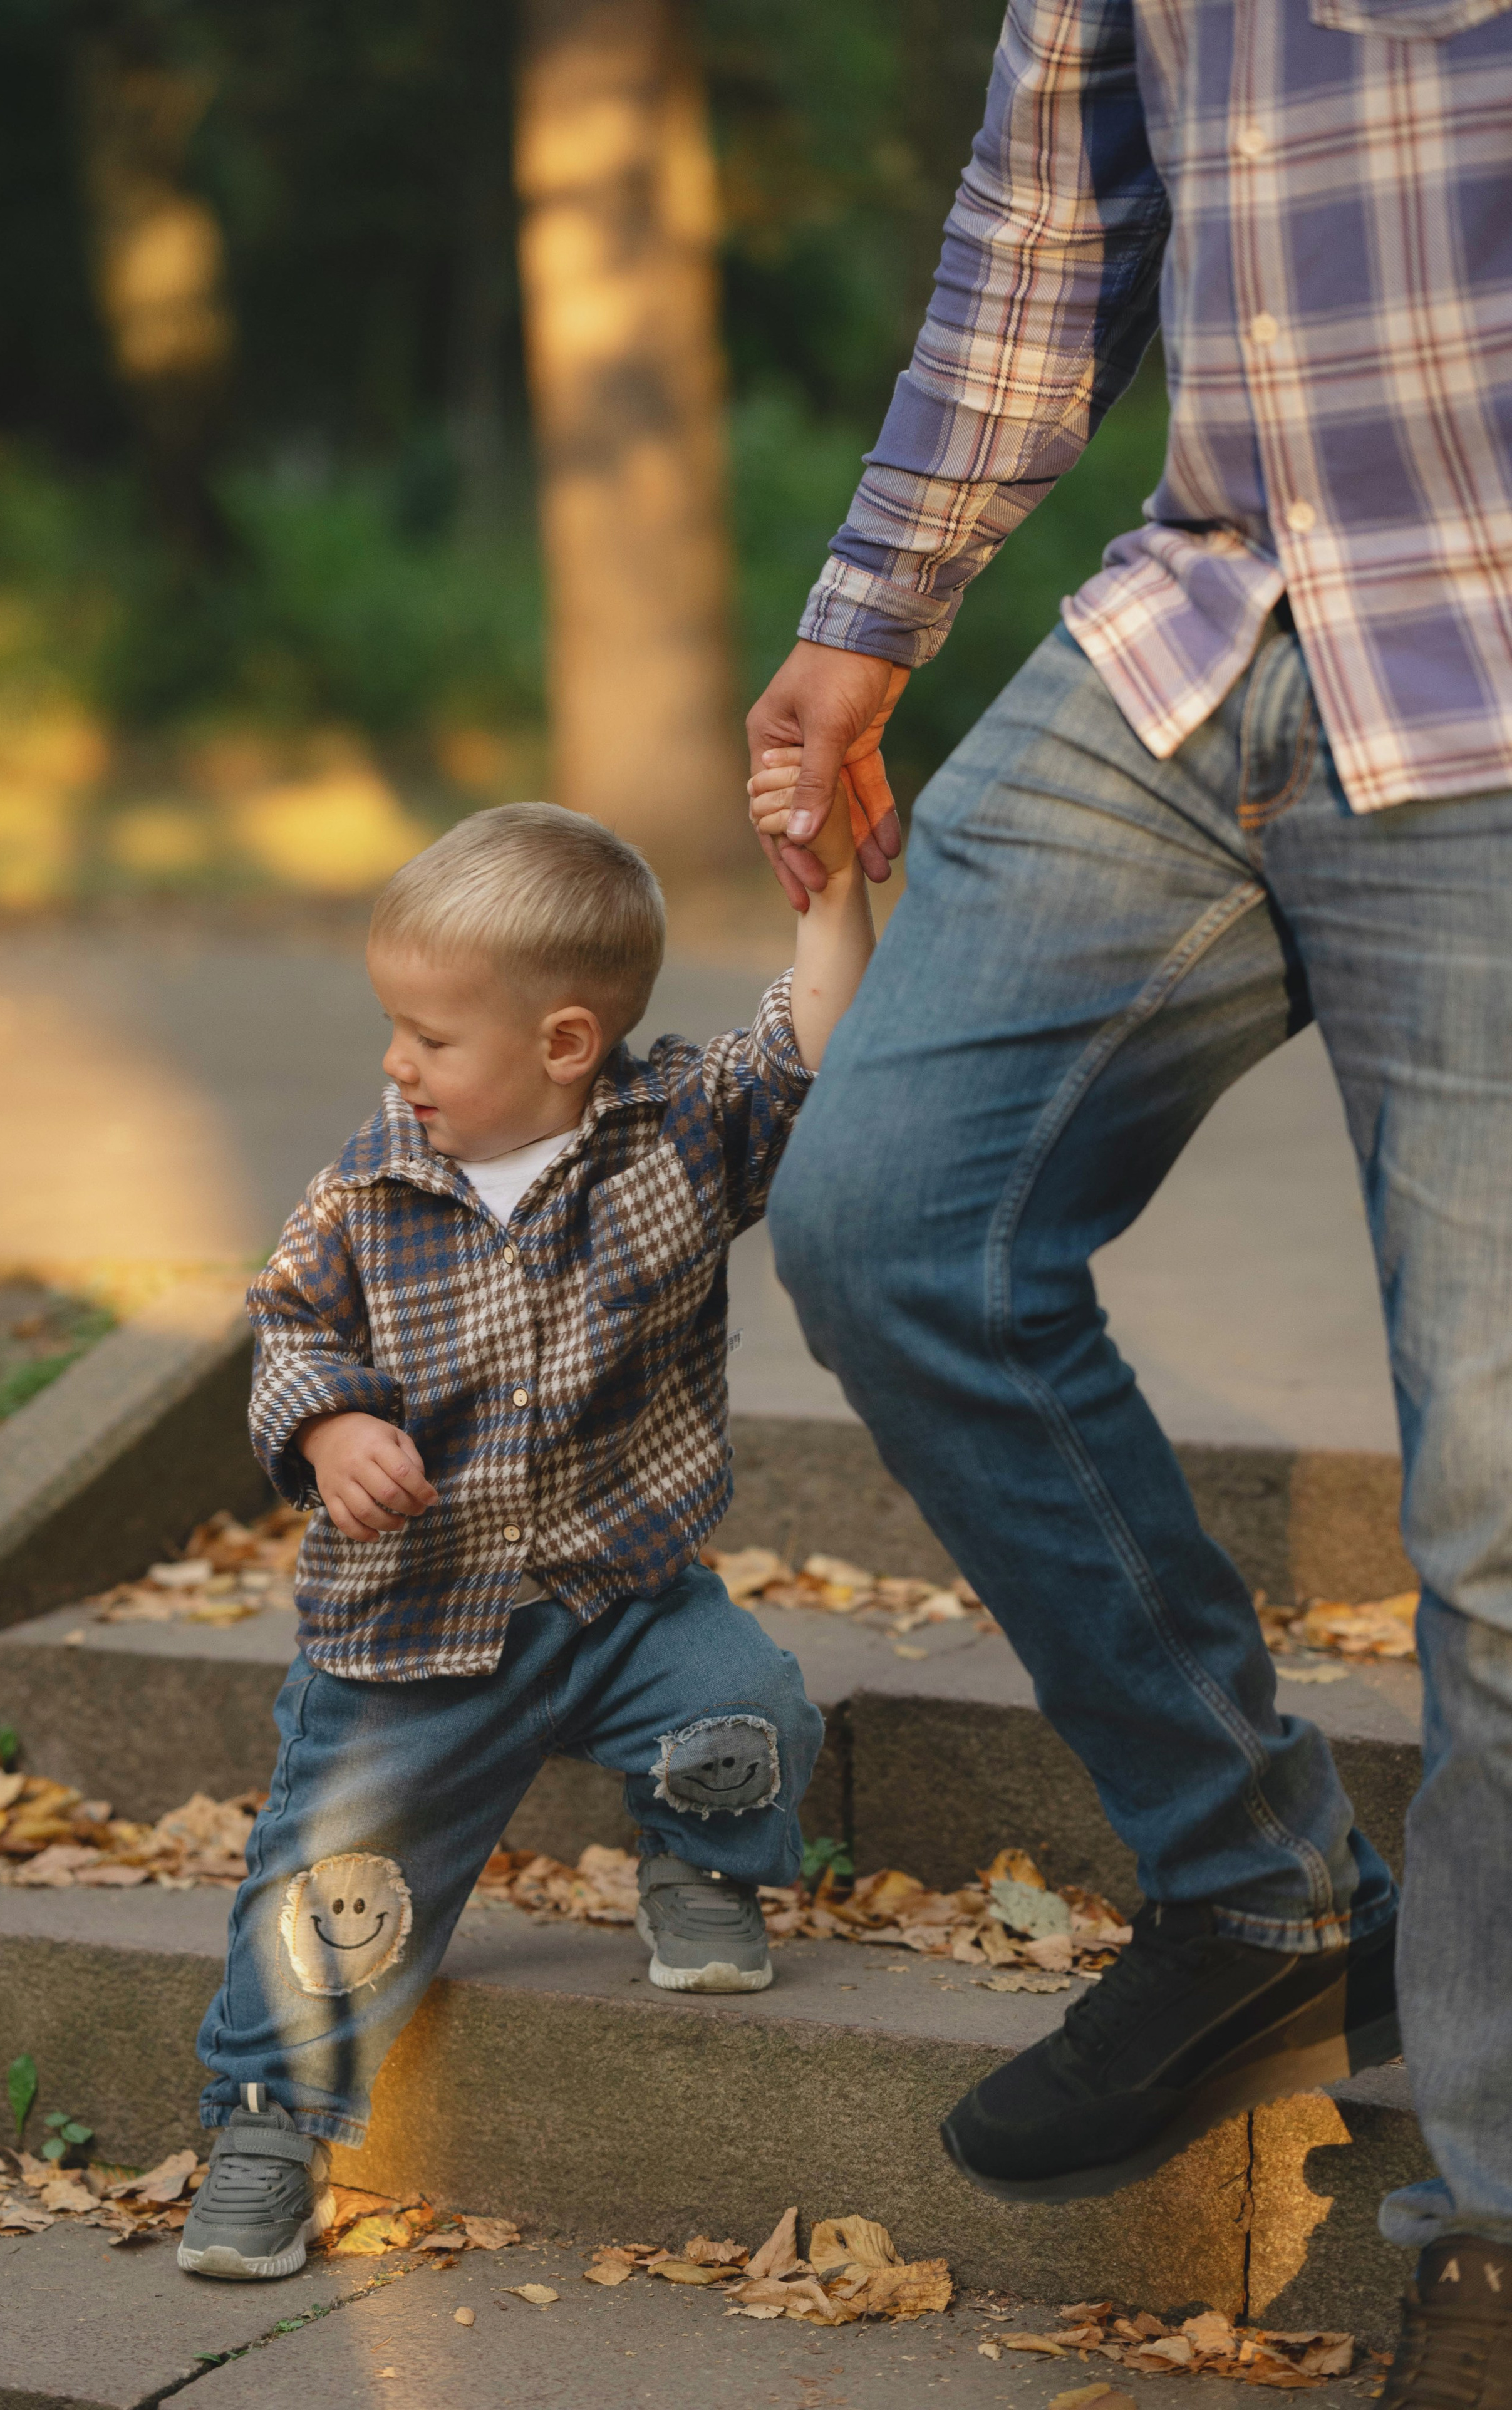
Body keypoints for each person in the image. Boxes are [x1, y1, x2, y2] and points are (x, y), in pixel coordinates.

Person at [745, 0, 1512, 2394]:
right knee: (887, 1220)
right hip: (1204, 634)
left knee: (1500, 1520)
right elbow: (1047, 223)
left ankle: (1491, 2214)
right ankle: (1265, 1877)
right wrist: (866, 620)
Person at [178, 795, 873, 2281]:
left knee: (744, 1703)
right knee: (329, 1887)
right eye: (392, 1028)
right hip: (416, 1634)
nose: (393, 1063)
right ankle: (265, 2123)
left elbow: (806, 1042)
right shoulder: (363, 1194)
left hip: (622, 1591)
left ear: (565, 1042)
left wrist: (824, 897)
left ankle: (696, 1861)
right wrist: (329, 1430)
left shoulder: (677, 1133)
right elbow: (287, 1329)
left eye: (430, 1037)